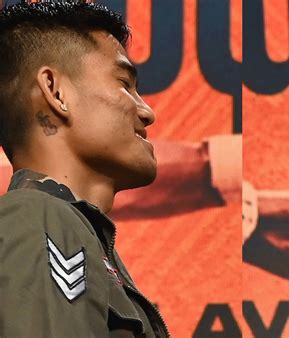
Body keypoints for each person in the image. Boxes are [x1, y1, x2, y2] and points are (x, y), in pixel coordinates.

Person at [0, 1, 171, 336]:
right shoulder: (39, 217)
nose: (147, 111)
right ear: (55, 91)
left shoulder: (73, 232)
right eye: (124, 83)